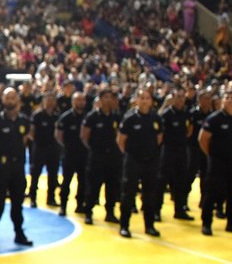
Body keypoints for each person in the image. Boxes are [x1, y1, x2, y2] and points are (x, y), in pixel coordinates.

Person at [0, 87, 33, 248]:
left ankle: (19, 233)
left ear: (17, 100)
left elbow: (25, 139)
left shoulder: (24, 121)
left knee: (17, 203)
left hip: (18, 167)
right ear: (2, 100)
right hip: (1, 168)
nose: (10, 101)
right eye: (7, 98)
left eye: (13, 97)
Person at [198, 89, 232, 236]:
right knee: (211, 193)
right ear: (222, 100)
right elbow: (203, 139)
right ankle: (206, 223)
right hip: (217, 162)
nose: (230, 100)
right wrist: (212, 155)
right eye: (227, 97)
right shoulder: (214, 118)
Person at [116, 87, 162, 238]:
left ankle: (149, 225)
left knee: (150, 194)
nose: (144, 101)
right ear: (136, 100)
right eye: (141, 98)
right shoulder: (129, 118)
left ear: (151, 101)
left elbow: (159, 138)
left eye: (147, 98)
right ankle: (124, 225)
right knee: (128, 194)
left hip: (150, 161)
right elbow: (121, 141)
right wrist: (131, 155)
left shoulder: (156, 118)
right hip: (133, 161)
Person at [80, 89, 123, 225]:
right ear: (100, 99)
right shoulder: (92, 116)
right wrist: (93, 149)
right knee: (93, 186)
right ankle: (88, 212)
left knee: (112, 185)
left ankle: (110, 212)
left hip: (113, 157)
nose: (108, 100)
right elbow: (84, 136)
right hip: (97, 156)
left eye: (111, 97)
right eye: (105, 97)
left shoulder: (116, 117)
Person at [157, 90, 194, 220]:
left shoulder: (186, 113)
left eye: (182, 97)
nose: (180, 100)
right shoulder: (166, 114)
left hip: (182, 149)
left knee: (181, 181)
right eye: (177, 97)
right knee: (162, 180)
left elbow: (190, 129)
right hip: (168, 149)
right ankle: (156, 210)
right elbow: (158, 129)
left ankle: (180, 209)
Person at [54, 92, 88, 217]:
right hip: (69, 153)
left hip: (83, 154)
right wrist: (67, 146)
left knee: (82, 181)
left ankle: (80, 205)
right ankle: (63, 206)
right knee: (66, 180)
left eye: (82, 100)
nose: (80, 102)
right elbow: (58, 135)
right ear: (73, 102)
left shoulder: (87, 116)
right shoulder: (66, 117)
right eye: (77, 100)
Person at [28, 91, 61, 208]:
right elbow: (31, 133)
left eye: (52, 100)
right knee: (35, 173)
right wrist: (38, 142)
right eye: (48, 99)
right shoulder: (37, 115)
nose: (50, 102)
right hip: (40, 147)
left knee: (53, 174)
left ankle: (51, 198)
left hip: (53, 148)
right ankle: (33, 197)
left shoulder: (57, 116)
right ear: (43, 101)